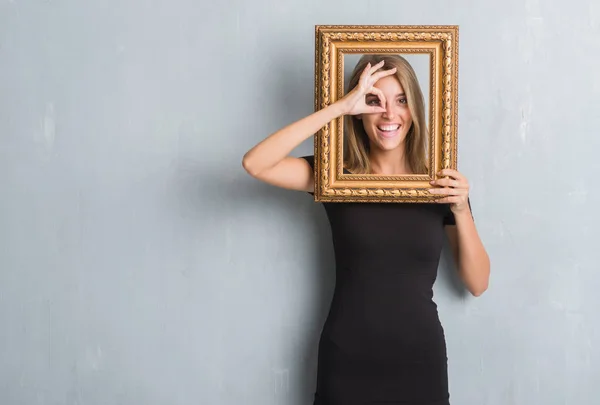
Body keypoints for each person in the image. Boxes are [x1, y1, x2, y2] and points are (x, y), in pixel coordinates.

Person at [242, 54, 490, 405]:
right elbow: (255, 163)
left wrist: (461, 208)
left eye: (401, 100)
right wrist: (338, 108)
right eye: (374, 100)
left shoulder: (440, 185)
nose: (389, 114)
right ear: (359, 109)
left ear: (415, 107)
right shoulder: (335, 177)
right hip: (347, 360)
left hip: (419, 362)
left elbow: (478, 283)